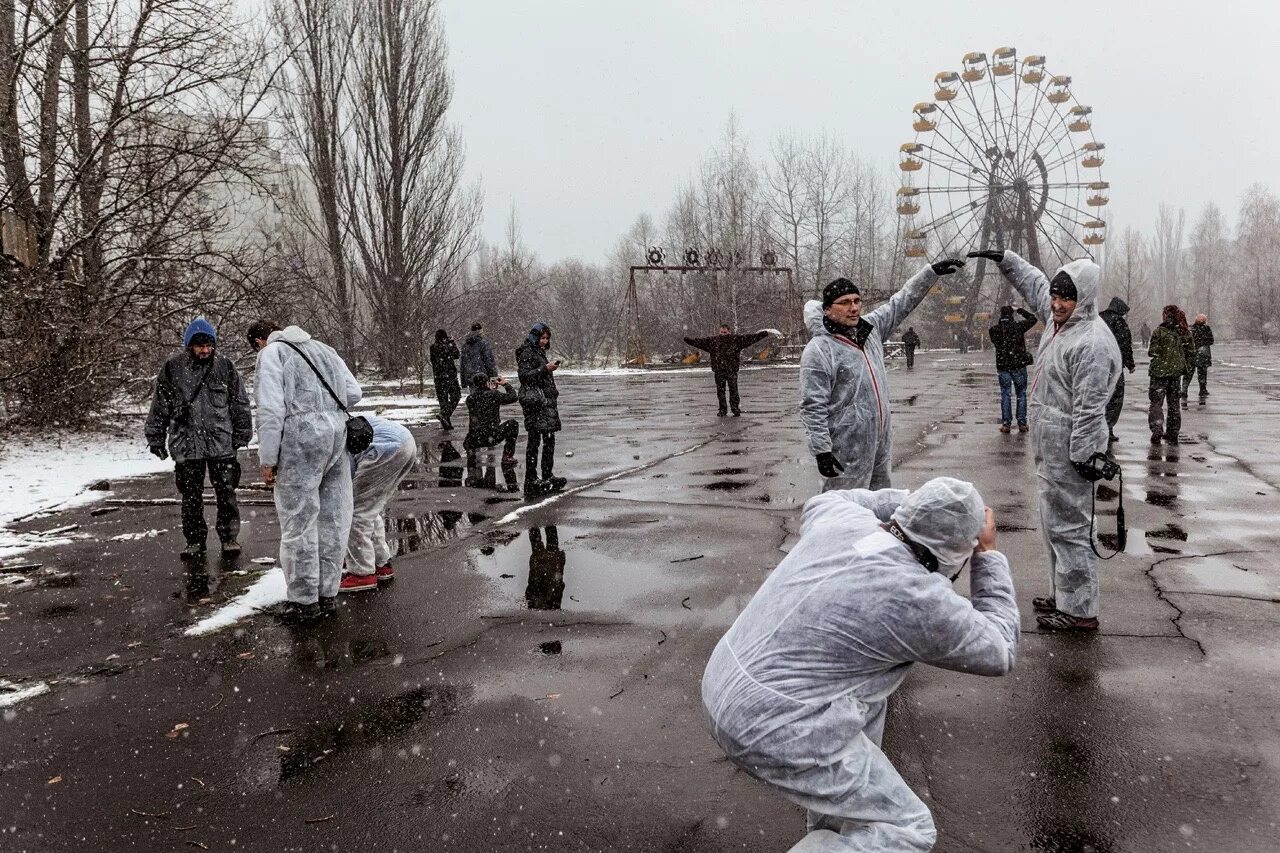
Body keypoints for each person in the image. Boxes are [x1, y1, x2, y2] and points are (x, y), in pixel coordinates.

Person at [701, 479, 1018, 852]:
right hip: (777, 726)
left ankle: (831, 839)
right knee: (906, 829)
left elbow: (831, 496)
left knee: (866, 717)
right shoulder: (919, 598)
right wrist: (989, 556)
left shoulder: (843, 522)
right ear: (955, 552)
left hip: (724, 683)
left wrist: (912, 502)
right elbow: (1000, 650)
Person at [969, 249, 1121, 632]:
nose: (1055, 303)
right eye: (1055, 296)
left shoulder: (1090, 343)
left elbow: (1090, 408)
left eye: (1065, 297)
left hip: (1071, 451)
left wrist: (1086, 453)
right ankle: (1063, 594)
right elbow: (1035, 283)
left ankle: (1080, 610)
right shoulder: (1061, 324)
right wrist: (1006, 260)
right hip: (1052, 448)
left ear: (1083, 298)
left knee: (1070, 529)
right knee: (1054, 524)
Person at [800, 259, 965, 490]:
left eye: (857, 301)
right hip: (846, 444)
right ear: (827, 309)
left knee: (879, 502)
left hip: (880, 439)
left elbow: (902, 302)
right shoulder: (819, 350)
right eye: (845, 302)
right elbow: (812, 405)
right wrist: (822, 451)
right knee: (845, 508)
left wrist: (930, 274)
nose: (854, 307)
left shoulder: (871, 329)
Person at [249, 320, 362, 622]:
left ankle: (303, 600)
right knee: (333, 517)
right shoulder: (325, 349)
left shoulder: (272, 354)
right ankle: (327, 593)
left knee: (298, 520)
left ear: (261, 340)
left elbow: (271, 410)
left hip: (299, 439)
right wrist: (324, 404)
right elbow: (354, 393)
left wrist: (268, 459)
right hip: (337, 435)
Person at [144, 318, 252, 559]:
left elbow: (239, 403)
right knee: (190, 496)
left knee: (226, 492)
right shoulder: (172, 368)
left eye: (208, 345)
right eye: (199, 345)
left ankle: (228, 538)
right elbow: (159, 406)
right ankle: (194, 541)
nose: (205, 350)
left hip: (221, 443)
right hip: (186, 444)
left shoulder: (225, 367)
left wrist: (243, 434)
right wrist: (155, 438)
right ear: (189, 345)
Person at [341, 414, 417, 593]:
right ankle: (380, 562)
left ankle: (362, 573)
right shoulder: (335, 418)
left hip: (384, 449)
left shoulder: (326, 430)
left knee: (354, 511)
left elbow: (345, 475)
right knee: (369, 508)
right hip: (404, 442)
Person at [682, 325, 776, 416]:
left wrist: (762, 335)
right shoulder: (713, 341)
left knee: (733, 390)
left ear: (729, 332)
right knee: (720, 391)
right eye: (722, 332)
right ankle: (723, 410)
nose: (723, 334)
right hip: (719, 370)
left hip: (731, 370)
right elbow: (699, 342)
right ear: (719, 332)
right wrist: (689, 341)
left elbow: (750, 338)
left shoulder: (735, 340)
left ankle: (735, 409)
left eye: (725, 332)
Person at [516, 322, 565, 497]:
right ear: (535, 337)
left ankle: (546, 475)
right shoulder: (527, 353)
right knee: (535, 440)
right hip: (536, 403)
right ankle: (532, 478)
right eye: (542, 338)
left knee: (548, 440)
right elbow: (524, 376)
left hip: (545, 402)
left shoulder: (538, 352)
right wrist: (544, 369)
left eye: (546, 338)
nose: (544, 341)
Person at [988, 305, 1038, 433]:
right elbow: (1033, 319)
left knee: (1006, 394)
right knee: (1021, 394)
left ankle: (1006, 423)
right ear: (1012, 314)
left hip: (1003, 366)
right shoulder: (1018, 327)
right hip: (1018, 365)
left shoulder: (994, 330)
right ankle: (1022, 423)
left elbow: (996, 341)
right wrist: (1020, 310)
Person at [1147, 305, 1190, 444]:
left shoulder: (1159, 332)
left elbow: (1152, 351)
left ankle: (1157, 428)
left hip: (1159, 374)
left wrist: (1162, 355)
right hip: (1175, 375)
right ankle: (1173, 432)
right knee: (1174, 405)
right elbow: (1192, 351)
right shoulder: (1183, 332)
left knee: (1156, 403)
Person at [1098, 297, 1136, 442]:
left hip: (1097, 363)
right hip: (1114, 365)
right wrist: (1130, 363)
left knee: (1097, 396)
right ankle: (1108, 427)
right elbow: (1125, 344)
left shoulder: (1098, 319)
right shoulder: (1119, 322)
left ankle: (1095, 427)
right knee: (1115, 397)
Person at [463, 373, 520, 468]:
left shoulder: (470, 399)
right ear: (487, 382)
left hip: (474, 438)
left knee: (474, 435)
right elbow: (513, 397)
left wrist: (490, 391)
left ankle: (471, 453)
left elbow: (482, 400)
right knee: (513, 424)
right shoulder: (493, 395)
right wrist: (505, 384)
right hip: (491, 435)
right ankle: (507, 456)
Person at [429, 329, 461, 430]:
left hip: (439, 378)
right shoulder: (447, 346)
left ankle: (446, 422)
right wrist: (452, 342)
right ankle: (445, 415)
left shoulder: (433, 347)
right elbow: (457, 355)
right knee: (456, 396)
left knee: (443, 401)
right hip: (449, 376)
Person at [1184, 314, 1215, 405]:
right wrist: (1202, 343)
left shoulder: (1191, 329)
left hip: (1192, 353)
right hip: (1202, 354)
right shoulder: (1206, 329)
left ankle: (1184, 390)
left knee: (1189, 373)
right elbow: (1211, 340)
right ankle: (1202, 389)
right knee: (1201, 373)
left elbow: (1186, 341)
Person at [459, 322, 497, 388]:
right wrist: (493, 380)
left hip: (470, 378)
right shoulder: (484, 344)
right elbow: (489, 362)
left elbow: (463, 365)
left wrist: (463, 383)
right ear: (480, 331)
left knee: (474, 397)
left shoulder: (465, 346)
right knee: (486, 397)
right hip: (483, 378)